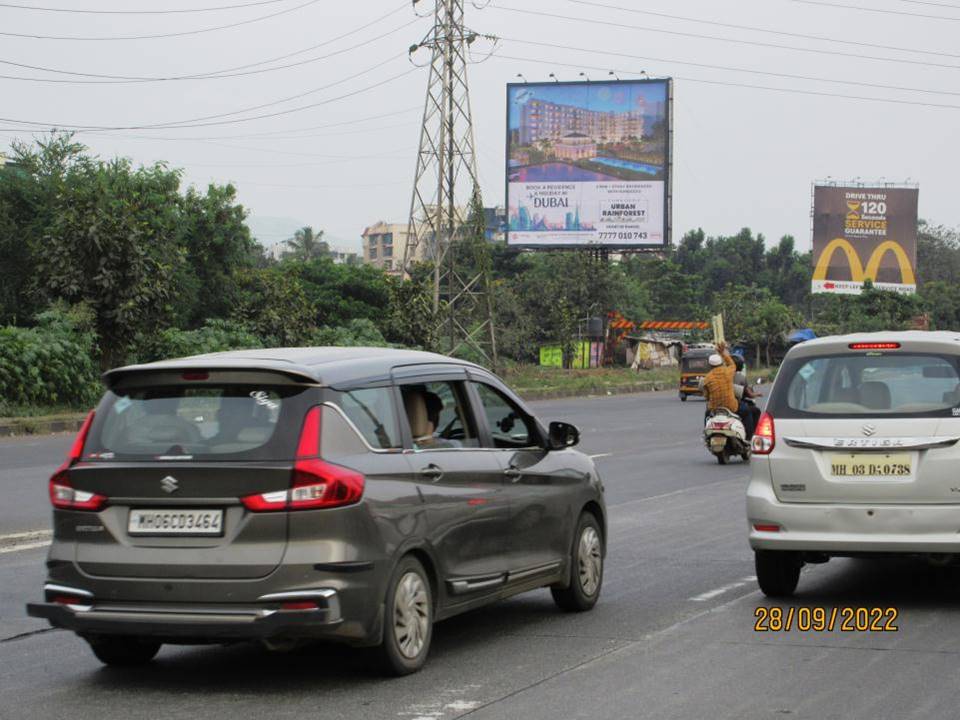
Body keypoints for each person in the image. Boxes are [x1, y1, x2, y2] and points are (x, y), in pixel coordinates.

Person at [733, 355, 761, 439]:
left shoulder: (721, 375)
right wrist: (757, 394)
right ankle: (750, 435)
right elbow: (749, 394)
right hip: (734, 404)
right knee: (753, 411)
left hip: (720, 404)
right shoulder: (741, 377)